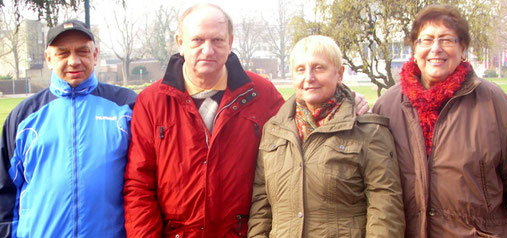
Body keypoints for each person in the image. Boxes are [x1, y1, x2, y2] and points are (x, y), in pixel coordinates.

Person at [123, 4, 370, 237]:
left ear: (230, 42)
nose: (207, 50)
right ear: (180, 43)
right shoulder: (153, 101)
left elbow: (307, 118)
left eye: (217, 40)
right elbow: (139, 185)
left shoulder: (261, 94)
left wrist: (346, 100)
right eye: (197, 40)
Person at [372, 5, 507, 237]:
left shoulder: (495, 104)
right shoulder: (386, 106)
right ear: (414, 49)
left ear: (463, 48)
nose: (435, 49)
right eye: (426, 40)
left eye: (447, 40)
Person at [247, 35, 405, 237]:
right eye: (300, 70)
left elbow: (385, 208)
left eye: (319, 68)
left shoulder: (369, 131)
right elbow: (262, 204)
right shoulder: (274, 131)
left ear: (339, 74)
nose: (309, 78)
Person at [0, 20, 137, 237]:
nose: (74, 61)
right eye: (63, 53)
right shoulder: (23, 116)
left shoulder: (127, 106)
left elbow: (146, 182)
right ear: (48, 58)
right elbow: (5, 189)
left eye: (82, 51)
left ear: (95, 54)